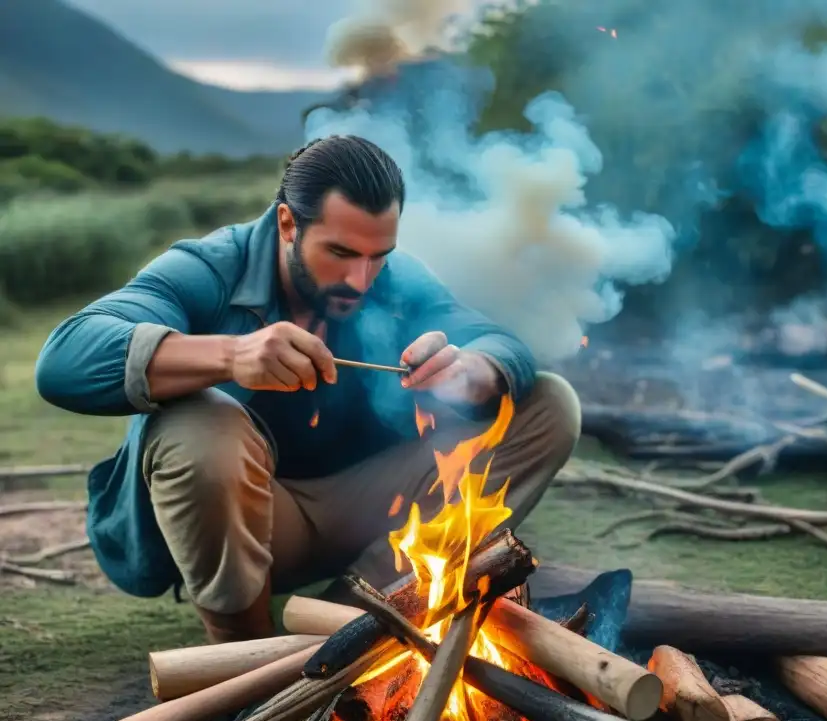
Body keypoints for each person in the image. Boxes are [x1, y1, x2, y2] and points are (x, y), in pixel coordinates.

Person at [35, 135, 581, 644]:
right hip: (256, 521)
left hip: (372, 513)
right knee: (200, 426)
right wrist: (232, 356)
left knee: (548, 403)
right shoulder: (209, 268)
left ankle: (360, 621)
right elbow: (64, 359)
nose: (361, 280)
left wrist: (471, 370)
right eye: (341, 254)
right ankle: (241, 662)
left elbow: (499, 342)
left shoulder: (393, 279)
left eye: (378, 256)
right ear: (288, 223)